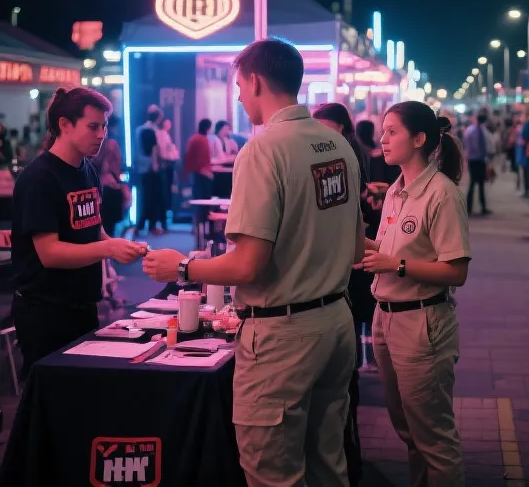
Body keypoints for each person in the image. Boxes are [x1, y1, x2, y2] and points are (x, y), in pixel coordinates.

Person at [143, 39, 363, 487]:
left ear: (257, 81)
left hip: (283, 336)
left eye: (240, 85)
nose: (239, 96)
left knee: (272, 474)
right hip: (337, 323)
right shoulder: (337, 144)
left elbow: (247, 267)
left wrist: (181, 268)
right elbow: (357, 246)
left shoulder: (263, 150)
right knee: (328, 464)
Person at [360, 102, 470, 486]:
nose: (382, 139)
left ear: (419, 139)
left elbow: (456, 271)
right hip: (385, 318)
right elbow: (388, 250)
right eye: (382, 131)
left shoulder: (442, 194)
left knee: (434, 439)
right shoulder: (396, 190)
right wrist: (358, 245)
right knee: (408, 430)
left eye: (392, 132)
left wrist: (396, 266)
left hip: (422, 323)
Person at [10, 87, 146, 378]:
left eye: (105, 126)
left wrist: (120, 246)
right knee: (48, 406)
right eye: (93, 126)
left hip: (82, 304)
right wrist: (109, 250)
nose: (102, 135)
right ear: (65, 124)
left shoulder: (87, 169)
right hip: (44, 311)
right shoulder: (39, 178)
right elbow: (50, 253)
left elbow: (93, 231)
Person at [313, 102, 372, 487]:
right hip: (341, 290)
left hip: (342, 285)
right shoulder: (345, 153)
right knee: (338, 400)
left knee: (337, 401)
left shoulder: (343, 153)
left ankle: (350, 464)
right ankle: (349, 463)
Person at [134, 106, 163, 235]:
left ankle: (142, 225)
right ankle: (146, 225)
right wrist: (156, 165)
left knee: (145, 197)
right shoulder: (152, 131)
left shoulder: (139, 130)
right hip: (150, 168)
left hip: (141, 167)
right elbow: (154, 150)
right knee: (151, 198)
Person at [184, 118, 214, 225]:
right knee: (204, 201)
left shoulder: (193, 138)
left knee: (196, 199)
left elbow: (188, 156)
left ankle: (196, 225)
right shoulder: (203, 140)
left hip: (194, 172)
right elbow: (203, 159)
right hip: (202, 173)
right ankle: (203, 225)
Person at [462, 112, 492, 216]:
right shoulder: (480, 131)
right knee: (480, 184)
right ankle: (482, 207)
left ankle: (469, 207)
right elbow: (481, 147)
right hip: (479, 160)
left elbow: (466, 143)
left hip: (472, 160)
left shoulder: (469, 130)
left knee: (473, 183)